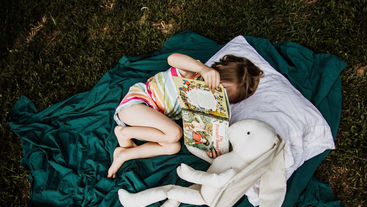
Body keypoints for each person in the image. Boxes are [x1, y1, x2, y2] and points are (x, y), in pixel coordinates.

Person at [107, 53, 263, 178]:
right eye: (218, 87)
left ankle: (124, 154)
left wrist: (211, 147)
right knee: (175, 133)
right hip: (137, 103)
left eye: (222, 96)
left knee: (173, 147)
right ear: (217, 70)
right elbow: (172, 59)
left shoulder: (206, 102)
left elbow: (203, 130)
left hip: (153, 119)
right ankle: (123, 132)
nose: (215, 94)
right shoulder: (193, 71)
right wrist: (202, 68)